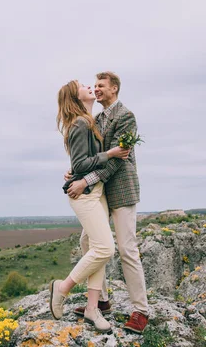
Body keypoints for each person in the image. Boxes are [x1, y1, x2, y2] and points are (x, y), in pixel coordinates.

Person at [65, 71, 149, 334]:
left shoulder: (126, 117)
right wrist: (75, 174)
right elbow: (93, 155)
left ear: (114, 88)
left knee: (126, 249)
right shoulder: (95, 118)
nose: (97, 89)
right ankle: (100, 300)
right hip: (99, 191)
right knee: (88, 242)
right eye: (95, 86)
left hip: (121, 190)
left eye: (101, 85)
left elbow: (115, 159)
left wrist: (84, 181)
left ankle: (140, 310)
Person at [50, 80, 130, 333]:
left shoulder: (88, 120)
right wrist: (112, 153)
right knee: (105, 248)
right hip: (84, 195)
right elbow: (82, 163)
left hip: (97, 192)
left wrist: (77, 168)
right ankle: (62, 288)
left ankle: (93, 309)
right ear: (75, 97)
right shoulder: (80, 123)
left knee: (98, 249)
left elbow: (78, 164)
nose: (90, 87)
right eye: (83, 86)